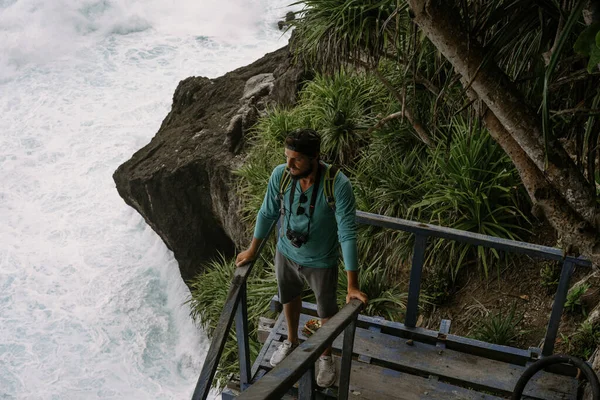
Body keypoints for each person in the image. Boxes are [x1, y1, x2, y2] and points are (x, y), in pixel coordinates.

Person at [235, 128, 368, 388]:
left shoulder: (337, 185)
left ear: (315, 157)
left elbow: (347, 234)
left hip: (321, 260)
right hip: (286, 251)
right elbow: (267, 213)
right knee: (289, 296)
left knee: (326, 311)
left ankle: (326, 357)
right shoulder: (281, 176)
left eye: (296, 159)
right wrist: (252, 250)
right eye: (287, 157)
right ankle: (292, 340)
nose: (289, 164)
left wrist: (352, 285)